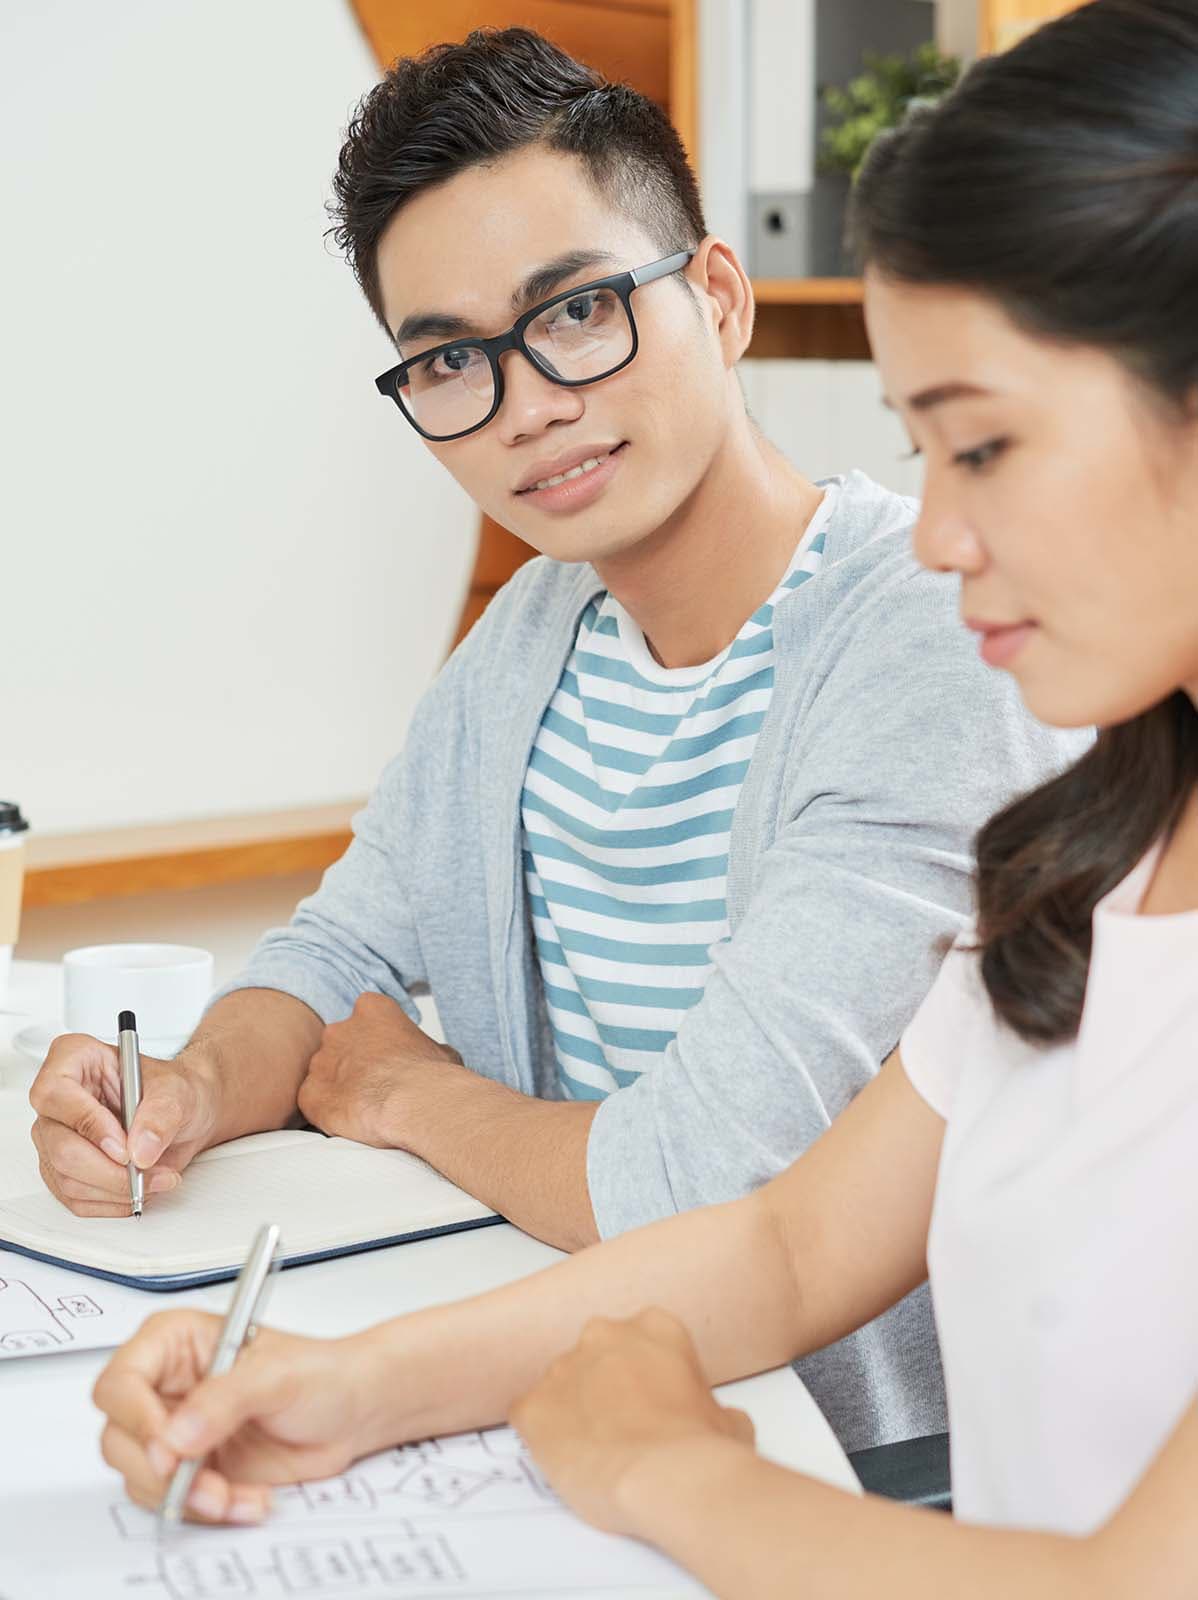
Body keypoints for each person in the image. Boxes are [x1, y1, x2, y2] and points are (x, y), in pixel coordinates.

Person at [39, 30, 1076, 1455]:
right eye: (448, 360)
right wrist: (189, 1092)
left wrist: (408, 1093)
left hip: (853, 1452)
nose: (527, 405)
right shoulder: (531, 636)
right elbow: (334, 960)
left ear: (718, 297)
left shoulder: (932, 638)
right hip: (561, 1385)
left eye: (578, 311)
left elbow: (707, 1179)